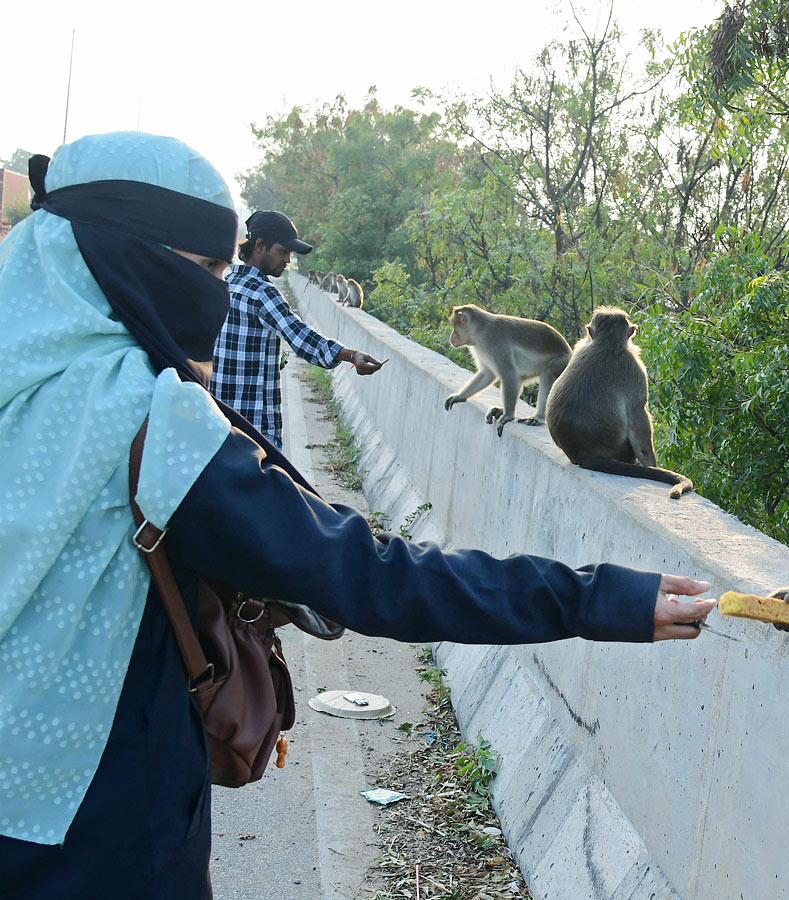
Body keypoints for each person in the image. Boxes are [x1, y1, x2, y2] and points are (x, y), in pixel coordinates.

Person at [0, 132, 716, 900]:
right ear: (127, 252)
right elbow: (366, 574)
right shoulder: (147, 420)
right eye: (208, 269)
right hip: (94, 819)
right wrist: (599, 597)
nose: (220, 289)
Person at [210, 209, 384, 448]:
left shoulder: (225, 283)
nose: (288, 260)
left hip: (218, 421)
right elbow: (303, 338)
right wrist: (352, 355)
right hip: (254, 430)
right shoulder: (263, 292)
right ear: (260, 246)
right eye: (283, 251)